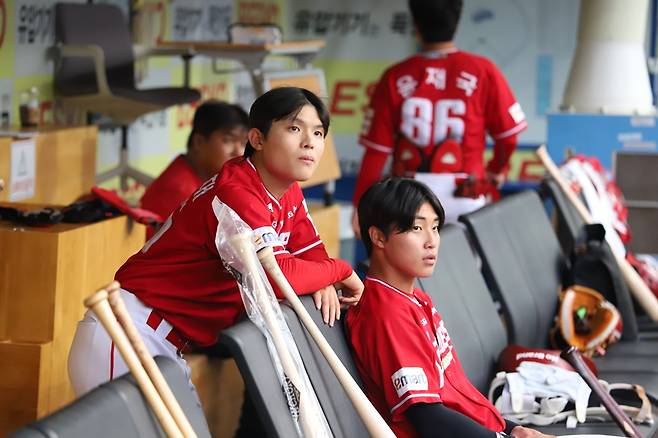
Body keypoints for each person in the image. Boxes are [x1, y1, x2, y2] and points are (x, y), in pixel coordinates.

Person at [68, 87, 364, 397]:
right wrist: (341, 269)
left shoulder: (284, 188)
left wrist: (325, 277)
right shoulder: (237, 190)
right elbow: (278, 279)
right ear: (257, 139)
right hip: (128, 333)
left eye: (318, 133)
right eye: (294, 128)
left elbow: (310, 253)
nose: (309, 142)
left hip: (165, 343)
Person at [346, 177, 552, 438]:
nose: (432, 241)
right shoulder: (387, 314)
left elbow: (458, 396)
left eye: (435, 227)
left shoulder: (415, 299)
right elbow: (427, 418)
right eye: (417, 228)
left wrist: (514, 430)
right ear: (378, 237)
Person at [352, 0, 527, 231]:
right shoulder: (483, 70)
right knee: (465, 266)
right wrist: (496, 170)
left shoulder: (395, 76)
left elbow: (376, 151)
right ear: (457, 21)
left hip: (407, 197)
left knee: (410, 267)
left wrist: (360, 207)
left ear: (415, 24)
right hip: (466, 196)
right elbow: (509, 138)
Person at [140, 100, 249, 220]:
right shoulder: (179, 191)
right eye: (228, 140)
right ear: (199, 142)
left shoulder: (209, 178)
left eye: (244, 142)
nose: (239, 152)